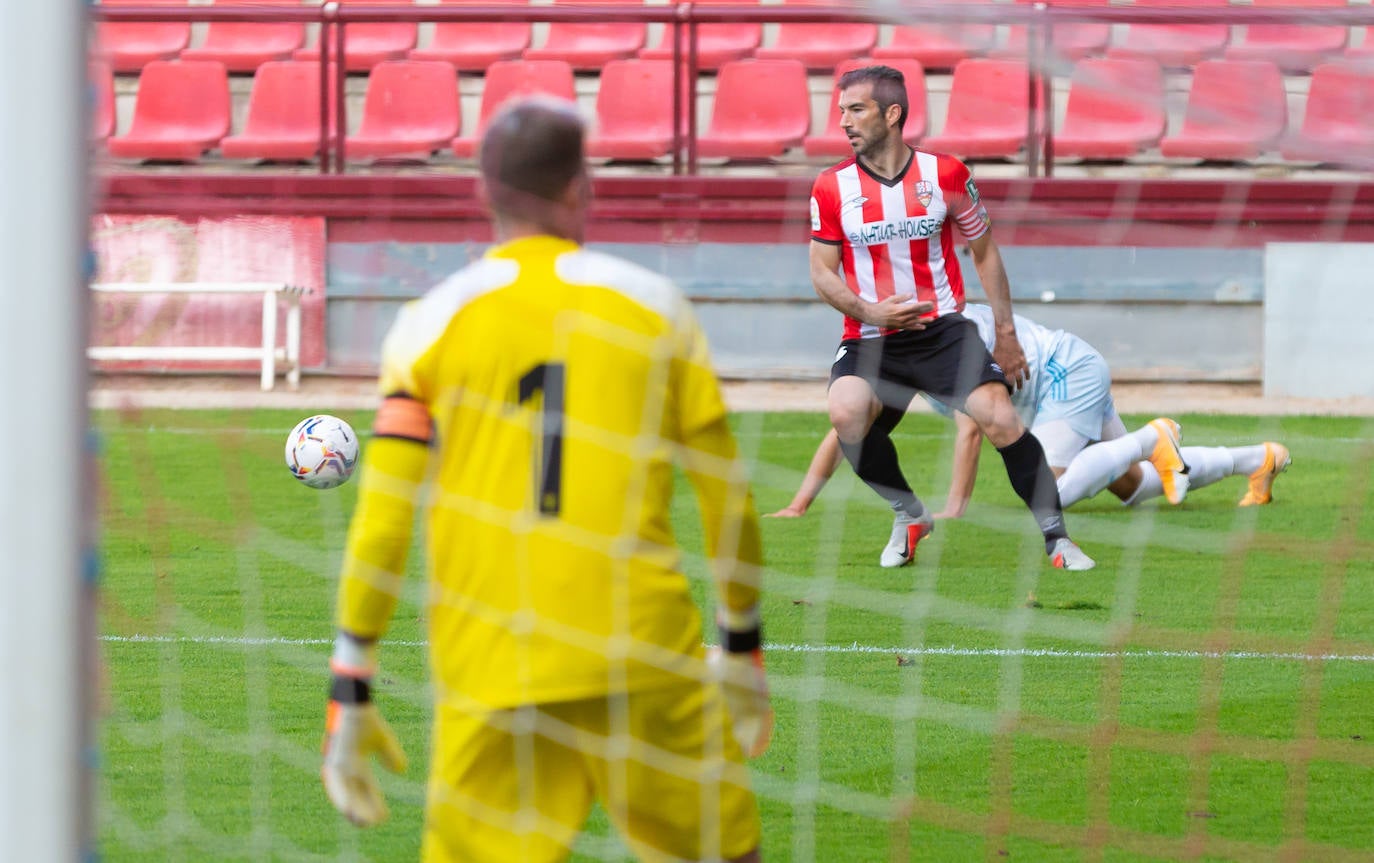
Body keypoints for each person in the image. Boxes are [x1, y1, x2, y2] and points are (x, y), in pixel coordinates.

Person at [319, 97, 771, 863]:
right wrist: (741, 641)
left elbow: (385, 519)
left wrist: (351, 676)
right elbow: (726, 496)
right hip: (645, 654)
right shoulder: (655, 307)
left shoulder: (429, 323)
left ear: (483, 191)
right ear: (580, 188)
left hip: (495, 664)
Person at [809, 64, 1095, 571]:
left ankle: (1057, 540)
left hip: (941, 331)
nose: (845, 123)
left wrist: (1005, 335)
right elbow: (822, 273)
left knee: (1001, 419)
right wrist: (871, 310)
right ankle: (909, 513)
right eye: (842, 112)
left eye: (856, 110)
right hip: (871, 333)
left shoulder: (946, 174)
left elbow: (984, 252)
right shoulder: (831, 187)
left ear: (892, 114)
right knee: (846, 413)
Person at [766, 303, 1291, 519]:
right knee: (1137, 487)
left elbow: (971, 431)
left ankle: (1150, 437)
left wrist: (954, 509)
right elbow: (845, 431)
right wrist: (800, 503)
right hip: (1065, 376)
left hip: (1067, 375)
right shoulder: (899, 345)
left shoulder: (942, 335)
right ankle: (1259, 459)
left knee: (1049, 493)